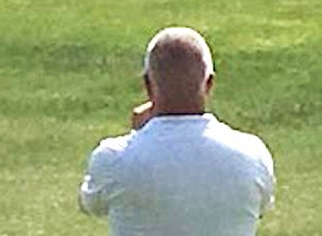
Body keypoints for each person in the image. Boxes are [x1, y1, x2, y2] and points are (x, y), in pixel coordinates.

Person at [78, 27, 275, 236]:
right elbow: (262, 206)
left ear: (147, 84)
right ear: (208, 84)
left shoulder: (113, 158)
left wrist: (137, 136)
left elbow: (90, 203)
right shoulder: (252, 154)